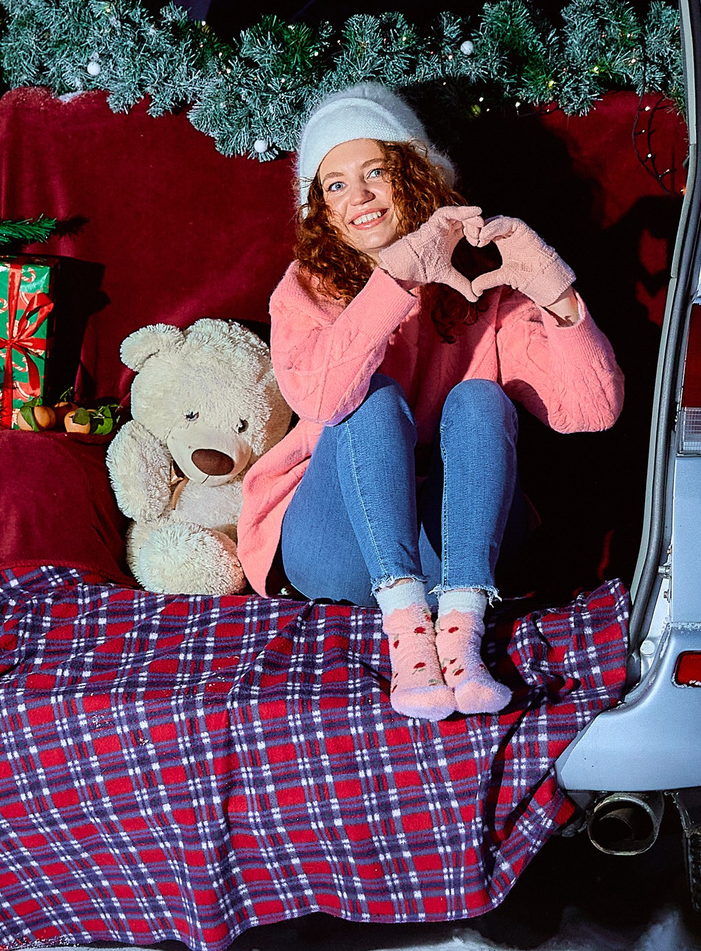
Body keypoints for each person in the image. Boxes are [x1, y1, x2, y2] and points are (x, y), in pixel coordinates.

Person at [237, 83, 625, 721]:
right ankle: (408, 636)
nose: (358, 195)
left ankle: (462, 637)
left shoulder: (481, 284)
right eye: (333, 185)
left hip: (458, 548)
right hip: (340, 546)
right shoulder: (306, 286)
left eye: (375, 172)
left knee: (480, 399)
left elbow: (593, 409)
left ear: (415, 175)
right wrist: (395, 279)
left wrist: (556, 293)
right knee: (370, 400)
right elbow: (323, 399)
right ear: (321, 212)